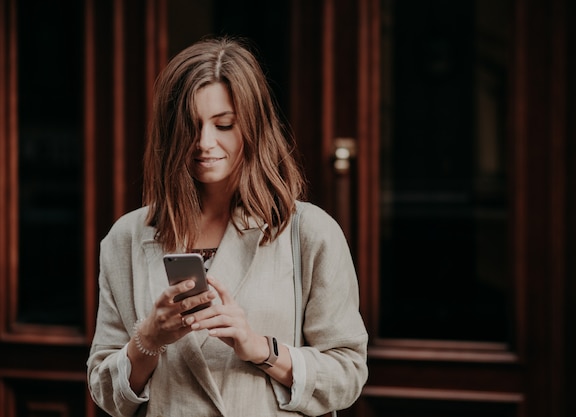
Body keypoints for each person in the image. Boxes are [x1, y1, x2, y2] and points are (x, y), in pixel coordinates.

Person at [86, 35, 369, 417]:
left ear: (252, 126)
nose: (204, 142)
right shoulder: (128, 237)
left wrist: (259, 348)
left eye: (224, 124)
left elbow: (348, 373)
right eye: (191, 125)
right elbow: (104, 390)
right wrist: (149, 337)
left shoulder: (309, 232)